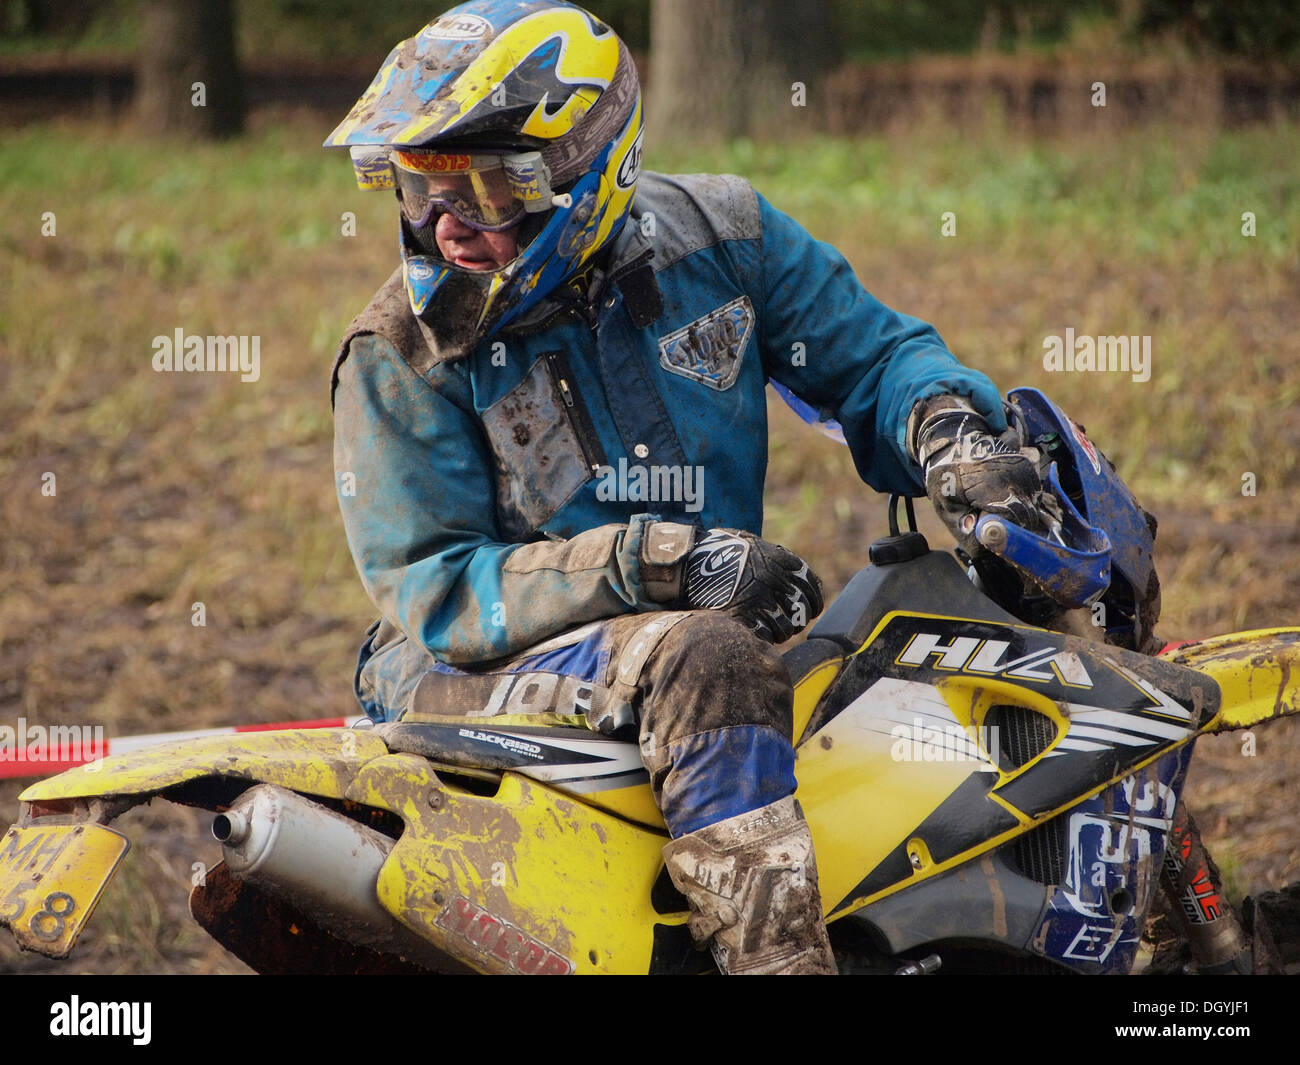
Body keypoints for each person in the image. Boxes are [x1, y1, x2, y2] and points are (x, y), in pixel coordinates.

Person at [324, 0, 1052, 975]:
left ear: (587, 165)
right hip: (458, 660)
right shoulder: (400, 352)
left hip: (678, 626)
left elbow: (875, 359)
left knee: (893, 651)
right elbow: (438, 582)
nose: (448, 227)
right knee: (709, 657)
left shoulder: (724, 236)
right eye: (419, 189)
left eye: (490, 189)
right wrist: (669, 565)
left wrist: (949, 432)